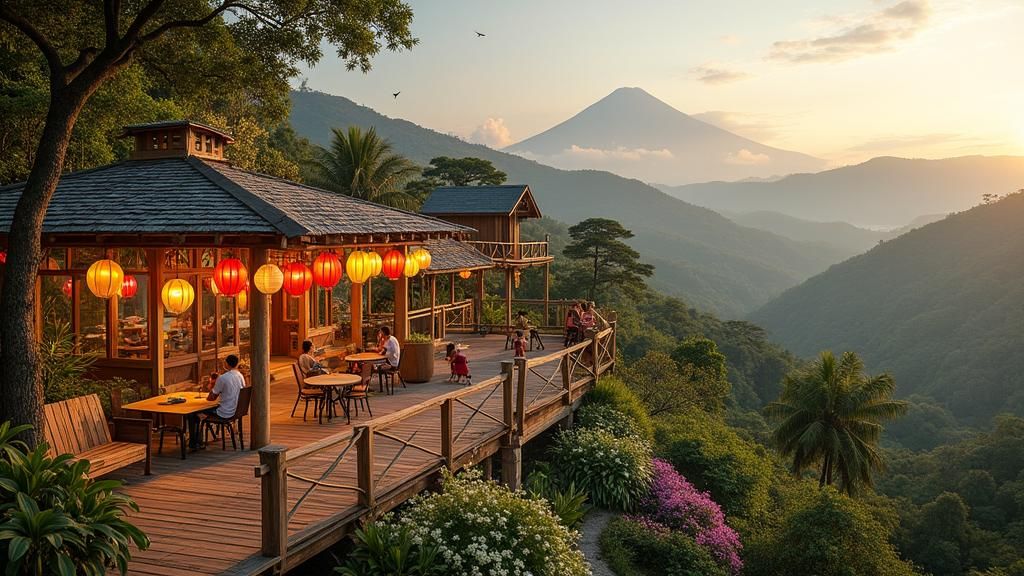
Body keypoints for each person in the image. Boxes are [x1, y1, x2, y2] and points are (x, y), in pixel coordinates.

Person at [189, 354, 245, 451]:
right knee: (208, 410)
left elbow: (211, 398)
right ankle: (208, 437)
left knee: (193, 414)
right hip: (237, 410)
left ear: (226, 364)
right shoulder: (240, 376)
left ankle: (195, 443)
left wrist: (212, 384)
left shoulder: (223, 378)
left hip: (225, 412)